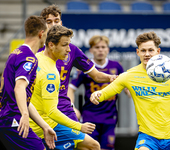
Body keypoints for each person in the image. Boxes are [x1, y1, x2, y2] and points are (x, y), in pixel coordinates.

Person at [90, 31, 170, 150]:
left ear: (158, 51)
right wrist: (96, 94)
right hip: (148, 138)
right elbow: (104, 93)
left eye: (151, 50)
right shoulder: (129, 76)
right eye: (143, 50)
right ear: (138, 52)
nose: (147, 54)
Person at [33, 5, 117, 150]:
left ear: (61, 22)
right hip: (41, 112)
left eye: (56, 21)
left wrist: (112, 78)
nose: (53, 25)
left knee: (88, 146)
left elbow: (96, 75)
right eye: (49, 21)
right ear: (43, 25)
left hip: (64, 109)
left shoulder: (71, 49)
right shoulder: (34, 51)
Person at [30, 25, 101, 150]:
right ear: (51, 45)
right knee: (93, 146)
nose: (69, 50)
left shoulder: (37, 58)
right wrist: (80, 126)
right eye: (64, 45)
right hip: (45, 126)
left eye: (69, 44)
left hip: (33, 122)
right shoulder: (50, 74)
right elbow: (51, 111)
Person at [0, 15, 57, 150]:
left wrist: (44, 126)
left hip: (5, 118)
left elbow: (24, 97)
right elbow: (19, 88)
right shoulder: (29, 58)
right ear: (41, 33)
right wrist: (24, 115)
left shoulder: (15, 53)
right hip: (13, 119)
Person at [68, 35, 130, 150]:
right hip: (90, 116)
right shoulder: (85, 67)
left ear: (108, 49)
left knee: (107, 147)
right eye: (97, 47)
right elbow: (71, 88)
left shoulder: (116, 66)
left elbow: (126, 87)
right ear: (91, 50)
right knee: (90, 147)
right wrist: (72, 107)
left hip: (110, 116)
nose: (100, 50)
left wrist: (132, 93)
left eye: (103, 47)